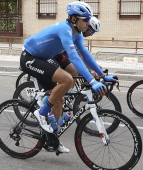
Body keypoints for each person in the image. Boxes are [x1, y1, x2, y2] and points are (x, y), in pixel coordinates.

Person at [20, 1, 111, 153]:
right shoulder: (65, 29)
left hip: (44, 58)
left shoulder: (77, 34)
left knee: (59, 99)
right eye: (86, 20)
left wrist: (101, 75)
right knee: (67, 79)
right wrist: (92, 81)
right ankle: (41, 114)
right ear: (75, 19)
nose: (88, 24)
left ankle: (53, 139)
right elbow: (74, 57)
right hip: (30, 57)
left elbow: (86, 56)